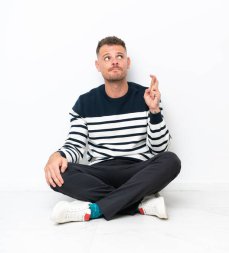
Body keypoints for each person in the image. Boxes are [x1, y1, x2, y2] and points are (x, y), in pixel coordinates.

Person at [44, 36, 181, 224]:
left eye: (119, 56)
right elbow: (75, 145)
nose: (114, 61)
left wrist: (154, 110)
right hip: (101, 173)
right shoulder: (84, 103)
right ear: (98, 65)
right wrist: (57, 156)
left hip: (137, 171)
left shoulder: (147, 97)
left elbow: (159, 149)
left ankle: (95, 209)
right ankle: (139, 204)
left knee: (171, 161)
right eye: (107, 57)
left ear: (127, 62)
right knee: (58, 173)